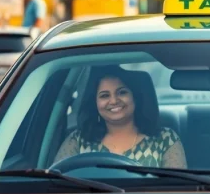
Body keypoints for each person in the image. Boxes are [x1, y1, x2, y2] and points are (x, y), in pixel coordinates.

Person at [54, 66, 187, 168]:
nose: (114, 101)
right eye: (105, 95)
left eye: (122, 92)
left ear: (134, 97)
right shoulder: (78, 141)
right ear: (94, 103)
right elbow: (56, 187)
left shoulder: (165, 140)